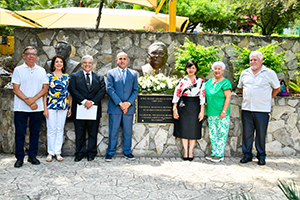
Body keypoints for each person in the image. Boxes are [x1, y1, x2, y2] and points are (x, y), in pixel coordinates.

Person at [238, 51, 280, 165]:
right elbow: (241, 88)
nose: (252, 62)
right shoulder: (244, 73)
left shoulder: (269, 73)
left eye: (255, 59)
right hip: (247, 108)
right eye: (251, 60)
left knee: (261, 134)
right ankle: (247, 155)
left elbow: (277, 88)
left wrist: (267, 98)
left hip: (262, 109)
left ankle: (261, 156)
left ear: (261, 61)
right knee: (247, 134)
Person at [11, 46, 49, 168]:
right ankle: (19, 158)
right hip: (21, 108)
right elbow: (16, 89)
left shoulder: (41, 70)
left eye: (33, 54)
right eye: (28, 54)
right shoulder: (18, 70)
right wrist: (29, 102)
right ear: (24, 56)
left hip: (36, 108)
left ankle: (32, 156)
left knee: (35, 133)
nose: (31, 56)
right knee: (20, 133)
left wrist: (32, 100)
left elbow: (45, 88)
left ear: (36, 56)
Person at [69, 55, 106, 162]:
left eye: (89, 63)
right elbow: (73, 89)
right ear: (82, 64)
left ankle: (91, 153)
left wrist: (92, 102)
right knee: (79, 132)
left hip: (93, 109)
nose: (87, 65)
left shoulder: (99, 77)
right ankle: (79, 153)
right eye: (85, 62)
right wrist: (84, 101)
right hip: (80, 109)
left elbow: (102, 91)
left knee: (92, 133)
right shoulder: (75, 76)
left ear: (92, 65)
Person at [105, 52, 139, 162]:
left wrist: (128, 104)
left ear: (127, 60)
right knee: (113, 131)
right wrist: (121, 103)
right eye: (120, 58)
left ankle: (128, 152)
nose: (122, 60)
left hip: (129, 108)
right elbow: (110, 89)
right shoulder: (111, 73)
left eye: (124, 58)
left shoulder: (133, 74)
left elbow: (135, 90)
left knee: (127, 131)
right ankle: (110, 152)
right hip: (115, 108)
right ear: (116, 60)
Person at [172, 60, 205, 161]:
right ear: (186, 69)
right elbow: (176, 94)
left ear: (196, 69)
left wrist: (202, 111)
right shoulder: (181, 81)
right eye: (189, 67)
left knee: (193, 129)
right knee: (184, 129)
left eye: (193, 68)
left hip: (195, 106)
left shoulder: (200, 81)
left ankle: (191, 151)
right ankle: (185, 151)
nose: (191, 70)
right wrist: (174, 109)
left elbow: (202, 97)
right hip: (183, 106)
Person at [43, 55, 72, 162]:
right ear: (53, 64)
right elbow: (44, 93)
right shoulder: (48, 76)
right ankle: (50, 152)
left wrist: (70, 107)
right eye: (57, 62)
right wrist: (45, 109)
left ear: (63, 64)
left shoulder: (67, 77)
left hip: (63, 106)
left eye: (61, 62)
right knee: (51, 129)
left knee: (60, 129)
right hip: (51, 105)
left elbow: (69, 93)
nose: (59, 64)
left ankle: (57, 152)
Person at [205, 61, 232, 163]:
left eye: (219, 69)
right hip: (211, 112)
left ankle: (220, 154)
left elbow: (228, 97)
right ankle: (214, 153)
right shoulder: (208, 83)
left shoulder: (225, 83)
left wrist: (224, 111)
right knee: (213, 134)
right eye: (215, 69)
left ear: (223, 70)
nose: (217, 71)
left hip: (222, 113)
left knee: (222, 133)